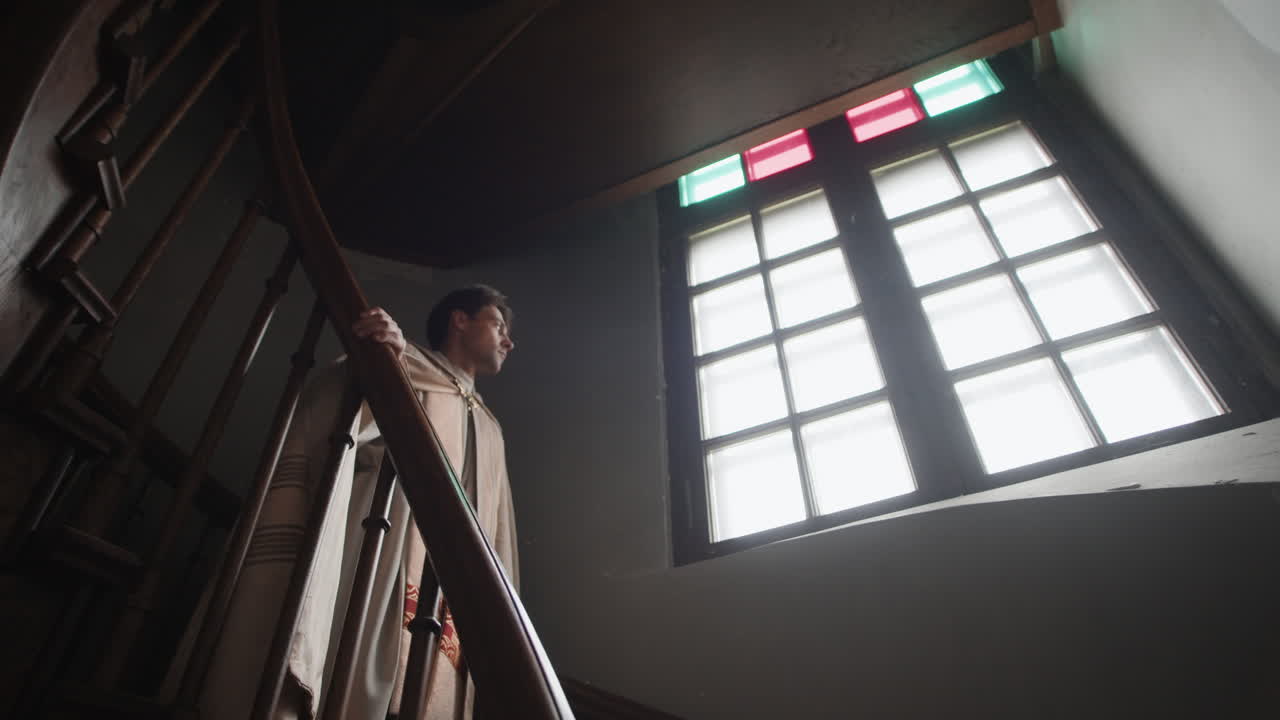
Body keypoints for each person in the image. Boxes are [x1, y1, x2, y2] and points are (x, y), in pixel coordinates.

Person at [200, 285, 518, 720]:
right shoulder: (406, 364)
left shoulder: (491, 427)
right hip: (385, 547)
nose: (508, 341)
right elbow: (336, 418)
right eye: (498, 325)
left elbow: (495, 532)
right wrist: (386, 363)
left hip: (450, 589)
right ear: (460, 320)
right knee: (355, 668)